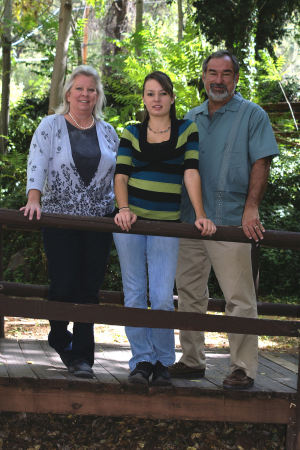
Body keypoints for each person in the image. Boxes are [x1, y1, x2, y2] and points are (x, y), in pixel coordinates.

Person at [169, 50, 279, 389]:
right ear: (203, 77)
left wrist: (251, 207)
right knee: (188, 292)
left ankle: (243, 368)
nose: (218, 80)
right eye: (212, 73)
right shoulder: (190, 117)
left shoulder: (252, 115)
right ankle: (191, 359)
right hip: (191, 219)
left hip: (231, 220)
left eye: (226, 74)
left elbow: (262, 162)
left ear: (236, 78)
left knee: (239, 297)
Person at [113, 71, 216, 386]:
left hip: (167, 225)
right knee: (134, 293)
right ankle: (140, 360)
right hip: (129, 224)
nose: (155, 99)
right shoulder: (131, 131)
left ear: (171, 97)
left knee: (159, 296)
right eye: (149, 93)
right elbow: (121, 175)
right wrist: (124, 209)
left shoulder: (187, 130)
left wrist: (200, 214)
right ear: (143, 99)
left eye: (161, 93)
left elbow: (190, 173)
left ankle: (162, 362)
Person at [20, 65, 119, 379]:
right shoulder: (50, 125)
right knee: (63, 284)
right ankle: (60, 335)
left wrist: (123, 207)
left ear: (97, 95)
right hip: (59, 217)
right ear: (68, 92)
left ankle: (83, 358)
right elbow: (37, 161)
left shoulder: (108, 132)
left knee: (89, 289)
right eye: (79, 88)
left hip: (99, 221)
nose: (85, 94)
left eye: (91, 90)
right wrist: (33, 197)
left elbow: (121, 175)